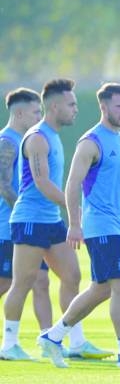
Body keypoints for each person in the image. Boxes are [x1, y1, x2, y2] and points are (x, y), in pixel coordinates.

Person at [36, 83, 120, 369]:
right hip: (100, 226)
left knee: (101, 289)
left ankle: (53, 336)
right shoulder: (90, 142)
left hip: (117, 226)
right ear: (103, 107)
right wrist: (74, 224)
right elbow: (72, 184)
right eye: (119, 106)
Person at [2, 79, 109, 361]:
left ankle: (75, 341)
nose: (76, 109)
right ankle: (9, 344)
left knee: (72, 276)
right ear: (54, 107)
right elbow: (42, 183)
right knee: (23, 281)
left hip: (51, 221)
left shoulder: (54, 135)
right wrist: (74, 208)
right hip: (29, 220)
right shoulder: (38, 137)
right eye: (71, 104)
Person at [0, 88, 50, 361]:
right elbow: (3, 184)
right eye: (35, 112)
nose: (39, 116)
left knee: (40, 281)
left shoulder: (28, 140)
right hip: (9, 227)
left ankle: (49, 339)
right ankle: (9, 343)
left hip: (28, 225)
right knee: (7, 282)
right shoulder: (7, 142)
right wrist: (24, 210)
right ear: (19, 113)